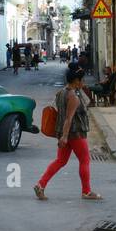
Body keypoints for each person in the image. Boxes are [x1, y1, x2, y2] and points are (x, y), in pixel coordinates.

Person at [34, 66, 102, 201]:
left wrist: (62, 136)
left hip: (63, 132)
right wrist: (65, 137)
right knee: (84, 160)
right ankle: (86, 191)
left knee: (60, 161)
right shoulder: (73, 97)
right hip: (75, 133)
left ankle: (40, 184)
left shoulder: (61, 92)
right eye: (82, 80)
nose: (83, 82)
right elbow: (69, 118)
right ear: (76, 80)